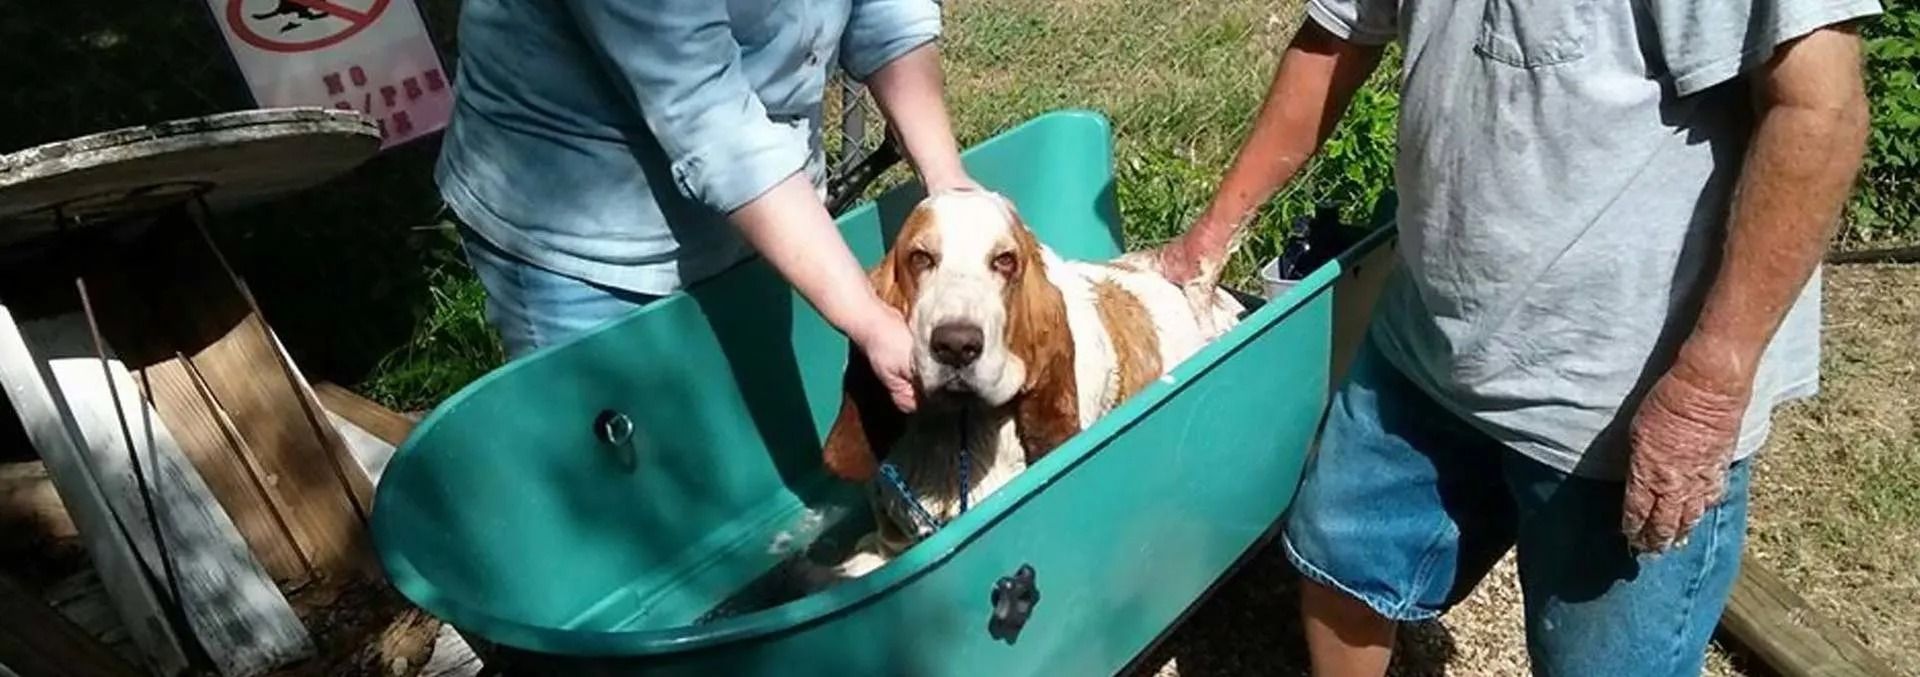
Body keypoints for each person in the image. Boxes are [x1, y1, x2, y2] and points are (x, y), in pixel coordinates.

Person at [1140, 0, 1878, 673]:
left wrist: (1711, 379)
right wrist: (1206, 241)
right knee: (1341, 567)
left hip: (1614, 396)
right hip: (1427, 341)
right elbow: (1336, 40)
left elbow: (1821, 110)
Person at [435, 0, 979, 414]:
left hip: (766, 210)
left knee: (736, 461)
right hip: (584, 239)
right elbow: (711, 121)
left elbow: (885, 11)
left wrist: (947, 184)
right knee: (619, 509)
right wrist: (867, 319)